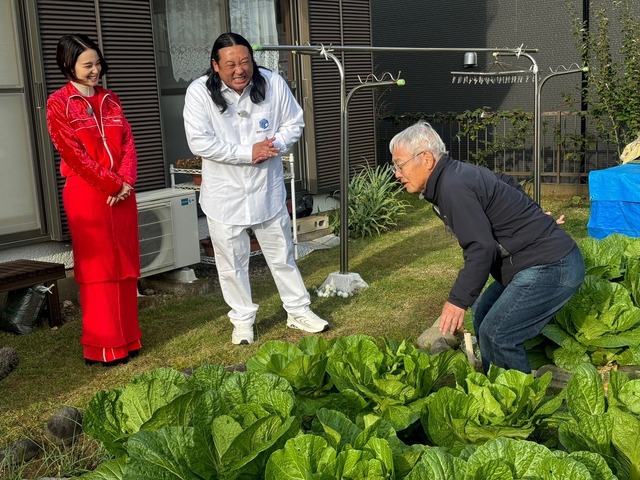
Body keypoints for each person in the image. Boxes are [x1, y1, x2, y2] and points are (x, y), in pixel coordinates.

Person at [389, 120, 585, 373]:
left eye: (400, 164)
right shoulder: (454, 175)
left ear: (426, 159)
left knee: (498, 333)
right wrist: (534, 214)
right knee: (483, 312)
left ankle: (517, 403)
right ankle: (495, 386)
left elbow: (480, 247)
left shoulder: (452, 186)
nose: (397, 173)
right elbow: (505, 182)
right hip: (533, 263)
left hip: (552, 266)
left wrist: (457, 301)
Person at [183, 32, 328, 345]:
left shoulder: (272, 83)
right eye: (231, 64)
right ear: (215, 66)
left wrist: (272, 146)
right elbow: (199, 141)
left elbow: (294, 122)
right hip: (224, 194)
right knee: (232, 263)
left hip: (266, 189)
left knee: (282, 255)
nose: (240, 70)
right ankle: (243, 321)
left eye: (245, 61)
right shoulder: (199, 93)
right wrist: (249, 153)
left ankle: (298, 310)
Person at [46, 34, 141, 366]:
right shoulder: (59, 103)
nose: (95, 70)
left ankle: (129, 338)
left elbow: (127, 142)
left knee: (125, 265)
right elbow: (73, 154)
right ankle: (103, 346)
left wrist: (126, 181)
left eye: (97, 63)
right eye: (88, 65)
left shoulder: (111, 99)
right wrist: (112, 183)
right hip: (88, 194)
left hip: (122, 195)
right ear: (68, 65)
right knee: (99, 269)